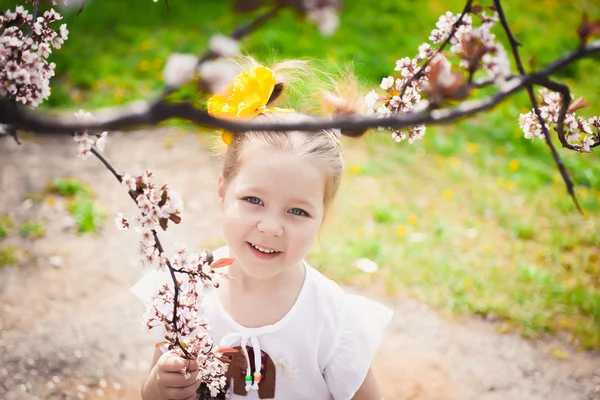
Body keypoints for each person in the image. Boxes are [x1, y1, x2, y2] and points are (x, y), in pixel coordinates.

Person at [132, 58, 393, 400]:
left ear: (322, 217)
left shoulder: (332, 320)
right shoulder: (183, 292)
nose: (271, 227)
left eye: (297, 210)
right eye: (254, 200)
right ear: (223, 192)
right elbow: (153, 394)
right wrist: (159, 388)